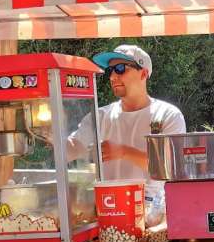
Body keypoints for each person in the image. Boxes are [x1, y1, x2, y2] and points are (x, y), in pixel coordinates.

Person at [68, 44, 186, 203]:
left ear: (143, 73)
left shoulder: (168, 115)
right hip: (106, 206)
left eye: (120, 68)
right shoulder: (99, 116)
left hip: (150, 207)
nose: (112, 77)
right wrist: (47, 134)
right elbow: (73, 148)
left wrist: (123, 151)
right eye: (110, 70)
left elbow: (172, 167)